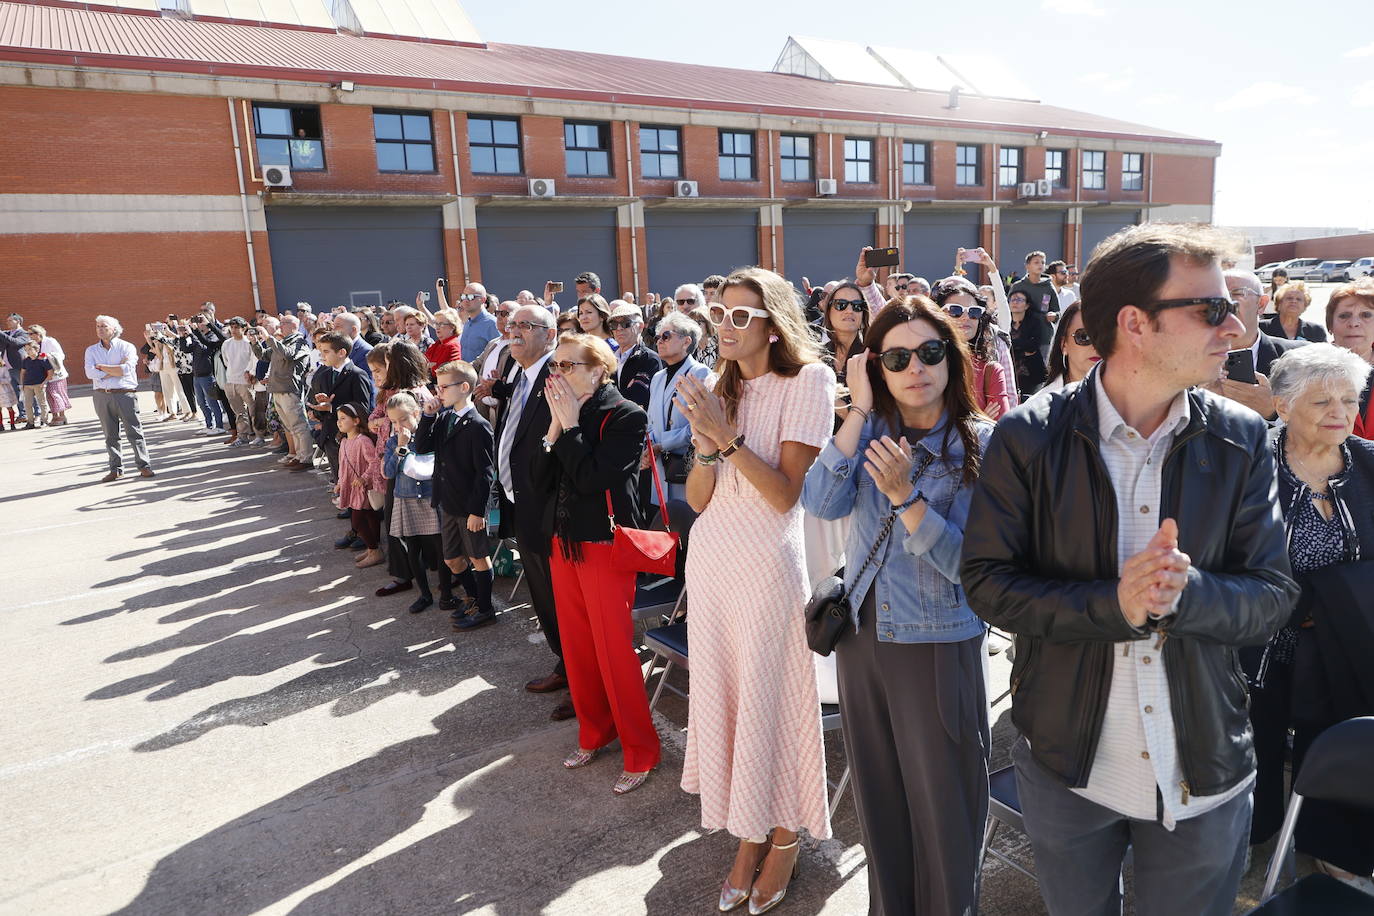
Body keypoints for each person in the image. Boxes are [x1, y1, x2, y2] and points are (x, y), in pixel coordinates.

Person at [961, 223, 1301, 916]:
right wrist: (1113, 605)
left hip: (1203, 767)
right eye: (1209, 309)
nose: (1235, 327)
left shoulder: (1241, 439)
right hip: (1066, 768)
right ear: (1134, 324)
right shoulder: (1028, 436)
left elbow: (1272, 596)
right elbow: (987, 584)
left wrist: (1185, 594)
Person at [802, 295, 993, 916]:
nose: (917, 368)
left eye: (931, 352)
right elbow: (821, 502)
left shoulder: (980, 444)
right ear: (875, 367)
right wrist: (856, 410)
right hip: (861, 638)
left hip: (936, 643)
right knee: (881, 806)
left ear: (951, 357)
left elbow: (974, 570)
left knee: (943, 811)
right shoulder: (869, 432)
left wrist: (907, 497)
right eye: (897, 357)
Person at [675, 266, 836, 914]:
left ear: (774, 324)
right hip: (712, 560)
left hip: (769, 563)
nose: (726, 326)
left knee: (770, 702)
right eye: (720, 313)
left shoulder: (810, 381)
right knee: (731, 704)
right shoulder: (721, 386)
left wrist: (726, 435)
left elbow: (783, 495)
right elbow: (696, 495)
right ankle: (747, 834)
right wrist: (711, 445)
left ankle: (783, 837)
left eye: (741, 315)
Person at [1242, 343, 1374, 886]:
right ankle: (1253, 837)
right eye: (1322, 401)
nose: (1340, 412)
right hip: (1260, 645)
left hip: (1344, 646)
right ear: (1281, 404)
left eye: (1349, 398)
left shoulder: (1368, 462)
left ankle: (1331, 846)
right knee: (1257, 743)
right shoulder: (1247, 464)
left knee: (1336, 741)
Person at [530, 333, 661, 795]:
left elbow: (591, 478)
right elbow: (537, 480)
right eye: (556, 366)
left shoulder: (625, 414)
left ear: (598, 369)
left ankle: (641, 749)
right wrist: (553, 431)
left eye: (567, 365)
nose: (557, 374)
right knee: (578, 648)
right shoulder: (565, 413)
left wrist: (567, 430)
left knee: (614, 652)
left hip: (605, 545)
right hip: (564, 543)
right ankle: (594, 732)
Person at [485, 305, 572, 719]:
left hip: (549, 507)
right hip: (521, 501)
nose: (514, 331)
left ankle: (581, 678)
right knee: (542, 594)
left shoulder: (559, 376)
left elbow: (566, 443)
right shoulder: (521, 374)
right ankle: (565, 664)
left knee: (564, 598)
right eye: (512, 324)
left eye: (525, 325)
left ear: (549, 333)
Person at [416, 360, 496, 629]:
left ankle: (485, 608)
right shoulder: (445, 417)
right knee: (452, 559)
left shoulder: (478, 424)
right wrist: (427, 416)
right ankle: (473, 597)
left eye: (443, 388)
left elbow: (485, 472)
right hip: (447, 500)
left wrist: (477, 510)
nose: (438, 393)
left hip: (468, 503)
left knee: (477, 557)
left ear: (464, 387)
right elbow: (423, 446)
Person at [1203, 269, 1305, 422]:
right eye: (1215, 297)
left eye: (1236, 293)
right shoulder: (1184, 359)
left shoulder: (1301, 358)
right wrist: (1197, 402)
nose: (1225, 302)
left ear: (1261, 304)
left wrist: (1273, 412)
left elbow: (1320, 427)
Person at [647, 311, 714, 506]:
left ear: (686, 341)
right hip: (659, 467)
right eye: (657, 336)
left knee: (685, 521)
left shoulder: (700, 372)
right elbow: (650, 421)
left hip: (685, 466)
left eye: (666, 336)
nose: (659, 341)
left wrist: (663, 444)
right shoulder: (658, 377)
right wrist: (649, 446)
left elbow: (701, 425)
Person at [931, 276, 1014, 419]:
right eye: (955, 310)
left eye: (974, 312)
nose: (965, 317)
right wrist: (979, 420)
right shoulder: (924, 364)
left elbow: (1000, 428)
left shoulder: (991, 370)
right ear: (938, 315)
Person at [85, 316, 154, 480]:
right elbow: (90, 373)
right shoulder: (91, 350)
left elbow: (126, 370)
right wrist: (113, 370)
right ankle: (116, 469)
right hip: (102, 396)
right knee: (110, 435)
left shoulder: (126, 347)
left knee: (134, 432)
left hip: (125, 394)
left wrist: (101, 368)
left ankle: (144, 465)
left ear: (114, 329)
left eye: (104, 326)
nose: (100, 329)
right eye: (97, 326)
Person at [307, 332, 375, 484]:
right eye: (320, 352)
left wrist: (332, 407)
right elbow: (324, 405)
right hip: (330, 433)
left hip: (351, 435)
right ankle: (343, 498)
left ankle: (355, 506)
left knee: (353, 476)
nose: (321, 356)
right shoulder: (325, 374)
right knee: (339, 475)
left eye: (326, 352)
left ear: (341, 353)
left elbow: (363, 407)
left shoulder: (357, 374)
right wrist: (317, 410)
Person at [252, 313, 313, 469]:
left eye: (283, 323)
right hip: (278, 389)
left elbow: (288, 355)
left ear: (293, 325)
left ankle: (306, 458)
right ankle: (299, 455)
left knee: (299, 425)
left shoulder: (299, 342)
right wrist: (255, 342)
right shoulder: (283, 341)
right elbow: (263, 356)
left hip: (289, 389)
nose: (280, 326)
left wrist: (268, 338)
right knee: (289, 426)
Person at [334, 402, 385, 569]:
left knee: (357, 521)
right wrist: (340, 482)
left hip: (363, 488)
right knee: (369, 515)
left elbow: (375, 462)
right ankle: (373, 550)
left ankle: (374, 549)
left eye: (343, 418)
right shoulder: (343, 442)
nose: (339, 422)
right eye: (338, 419)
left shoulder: (363, 441)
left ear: (356, 421)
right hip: (351, 486)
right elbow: (342, 465)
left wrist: (364, 478)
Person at [1326, 279, 1374, 438]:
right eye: (1344, 316)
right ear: (1330, 325)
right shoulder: (1306, 370)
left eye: (1365, 315)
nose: (1354, 323)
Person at [1030, 301, 1101, 401]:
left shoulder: (1126, 406)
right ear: (1064, 345)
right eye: (1084, 336)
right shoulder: (1037, 408)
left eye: (1104, 338)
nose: (1096, 346)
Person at [609, 302, 661, 410]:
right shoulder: (608, 360)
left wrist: (609, 396)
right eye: (614, 325)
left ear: (640, 327)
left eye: (625, 323)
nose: (619, 328)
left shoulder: (650, 359)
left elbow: (638, 398)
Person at [186, 312, 227, 434]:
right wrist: (184, 336)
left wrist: (194, 332)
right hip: (197, 374)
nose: (198, 324)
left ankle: (219, 426)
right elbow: (186, 349)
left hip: (207, 374)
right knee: (201, 402)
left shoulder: (212, 336)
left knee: (212, 402)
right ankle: (209, 425)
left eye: (200, 322)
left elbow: (204, 346)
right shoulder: (199, 335)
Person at [1007, 289, 1050, 396]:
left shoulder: (1034, 322)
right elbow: (1003, 347)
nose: (1015, 302)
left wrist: (1013, 344)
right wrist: (1022, 350)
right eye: (1013, 299)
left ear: (1027, 305)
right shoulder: (1004, 323)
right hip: (1009, 373)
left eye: (1020, 300)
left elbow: (1033, 346)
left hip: (1031, 373)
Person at [28, 325, 71, 425]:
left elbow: (61, 355)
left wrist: (46, 356)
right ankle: (55, 416)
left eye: (31, 334)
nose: (29, 336)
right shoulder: (33, 344)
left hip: (56, 374)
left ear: (38, 333)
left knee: (56, 394)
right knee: (49, 396)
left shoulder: (50, 341)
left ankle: (62, 416)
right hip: (44, 375)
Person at [1260, 281, 1328, 343]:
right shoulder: (1261, 328)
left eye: (1299, 299)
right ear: (1279, 304)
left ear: (1305, 306)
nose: (1294, 301)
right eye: (1289, 298)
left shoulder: (1316, 331)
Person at [1009, 250, 1059, 318]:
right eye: (1036, 262)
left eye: (1043, 262)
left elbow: (1056, 311)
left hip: (1042, 327)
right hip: (1022, 327)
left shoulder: (1048, 287)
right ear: (1027, 266)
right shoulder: (1017, 286)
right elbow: (1008, 309)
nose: (1040, 265)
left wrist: (1054, 315)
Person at [332, 312, 375, 384]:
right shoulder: (337, 348)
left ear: (354, 330)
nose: (333, 330)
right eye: (333, 326)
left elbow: (366, 383)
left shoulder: (366, 351)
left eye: (338, 326)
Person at [1, 315, 28, 422]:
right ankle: (22, 414)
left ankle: (35, 413)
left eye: (10, 320)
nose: (7, 322)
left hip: (19, 367)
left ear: (18, 321)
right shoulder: (7, 333)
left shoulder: (23, 333)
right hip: (8, 367)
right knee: (16, 392)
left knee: (25, 390)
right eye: (7, 320)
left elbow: (15, 342)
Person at [19, 340, 51, 428]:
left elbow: (50, 372)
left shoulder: (42, 359)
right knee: (28, 404)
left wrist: (44, 382)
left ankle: (44, 421)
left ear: (36, 349)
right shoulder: (26, 360)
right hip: (27, 385)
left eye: (29, 349)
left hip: (39, 384)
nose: (28, 351)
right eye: (26, 350)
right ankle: (30, 423)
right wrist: (21, 384)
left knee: (42, 403)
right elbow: (22, 372)